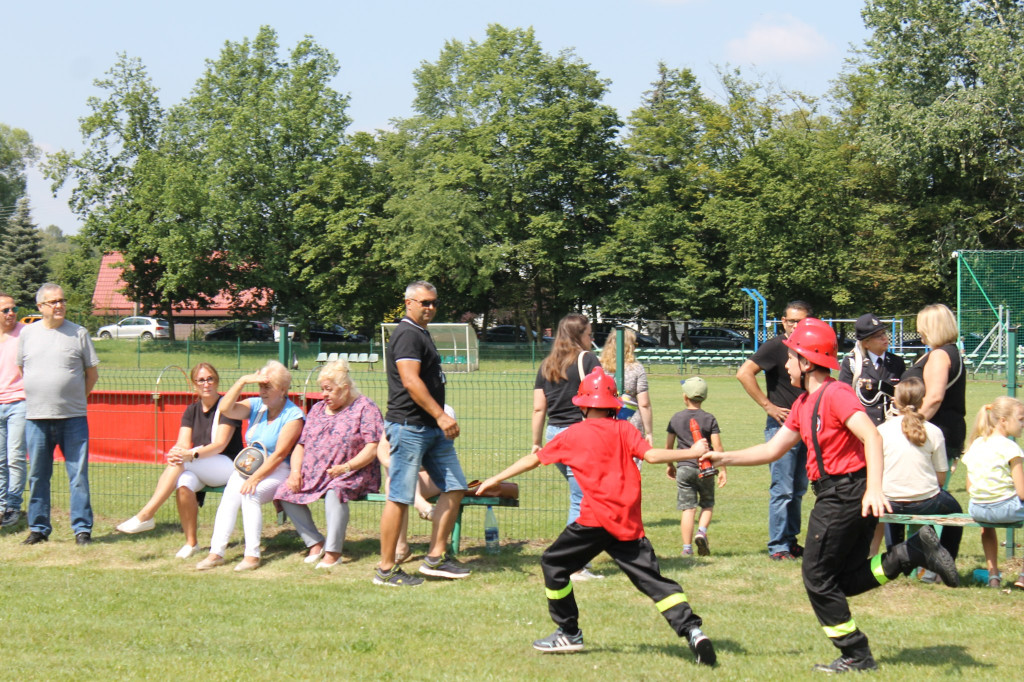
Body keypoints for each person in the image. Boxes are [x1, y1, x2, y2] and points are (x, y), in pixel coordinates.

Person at [705, 318, 959, 674]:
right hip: (842, 494)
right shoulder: (804, 403)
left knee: (815, 576)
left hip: (846, 493)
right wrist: (723, 457)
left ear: (807, 362)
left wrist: (873, 488)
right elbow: (772, 450)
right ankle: (909, 553)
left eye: (791, 357)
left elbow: (871, 436)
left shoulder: (836, 394)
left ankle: (856, 653)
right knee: (842, 580)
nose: (787, 364)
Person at [475, 367, 716, 665]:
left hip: (593, 522)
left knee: (553, 563)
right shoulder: (627, 429)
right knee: (654, 582)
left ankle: (569, 632)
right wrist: (691, 452)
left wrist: (495, 478)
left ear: (584, 405)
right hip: (627, 523)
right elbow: (651, 456)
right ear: (612, 404)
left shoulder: (572, 434)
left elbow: (534, 459)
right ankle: (693, 631)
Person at [376, 281, 469, 587]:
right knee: (400, 497)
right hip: (409, 426)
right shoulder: (406, 334)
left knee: (455, 486)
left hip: (430, 428)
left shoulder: (420, 333)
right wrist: (442, 415)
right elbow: (410, 381)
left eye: (434, 303)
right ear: (409, 303)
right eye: (424, 302)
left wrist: (438, 419)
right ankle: (386, 570)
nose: (430, 307)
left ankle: (435, 558)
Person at [115, 363, 243, 559]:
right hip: (201, 463)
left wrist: (189, 455)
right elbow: (183, 443)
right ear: (194, 385)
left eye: (210, 379)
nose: (206, 383)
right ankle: (191, 543)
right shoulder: (191, 410)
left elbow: (220, 445)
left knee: (182, 463)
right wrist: (177, 452)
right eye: (201, 380)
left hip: (228, 465)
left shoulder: (227, 407)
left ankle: (146, 514)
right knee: (184, 483)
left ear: (217, 381)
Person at [196, 360, 304, 571]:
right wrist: (243, 381)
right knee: (229, 496)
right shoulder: (255, 405)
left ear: (282, 389)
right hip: (250, 464)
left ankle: (252, 555)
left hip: (279, 469)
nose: (262, 391)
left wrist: (255, 479)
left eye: (267, 387)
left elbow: (280, 454)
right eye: (260, 386)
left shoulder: (294, 415)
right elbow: (225, 409)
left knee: (250, 494)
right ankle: (216, 553)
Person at [275, 360, 383, 569]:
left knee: (336, 491)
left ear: (345, 388)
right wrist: (295, 472)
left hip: (354, 472)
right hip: (316, 473)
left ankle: (333, 553)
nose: (324, 394)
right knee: (285, 491)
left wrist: (346, 467)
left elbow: (372, 447)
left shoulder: (365, 408)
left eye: (329, 390)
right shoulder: (317, 410)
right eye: (322, 389)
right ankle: (315, 542)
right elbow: (301, 445)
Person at [18, 284, 99, 545]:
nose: (59, 305)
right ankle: (39, 529)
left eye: (62, 301)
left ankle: (82, 529)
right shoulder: (28, 334)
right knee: (38, 475)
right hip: (36, 418)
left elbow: (92, 374)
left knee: (77, 475)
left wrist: (75, 400)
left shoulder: (79, 333)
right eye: (53, 302)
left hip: (73, 418)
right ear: (40, 307)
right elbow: (23, 369)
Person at [736, 300, 811, 560]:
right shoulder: (776, 346)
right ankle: (778, 545)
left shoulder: (811, 346)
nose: (796, 326)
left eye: (801, 321)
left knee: (799, 488)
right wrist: (768, 406)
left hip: (807, 426)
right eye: (791, 321)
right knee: (783, 489)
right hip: (781, 426)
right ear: (783, 321)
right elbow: (744, 372)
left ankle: (790, 541)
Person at [534, 313, 602, 580]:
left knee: (584, 495)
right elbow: (600, 396)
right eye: (588, 333)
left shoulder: (547, 364)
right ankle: (573, 564)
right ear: (578, 335)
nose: (591, 338)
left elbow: (540, 407)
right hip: (581, 434)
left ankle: (579, 558)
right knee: (582, 498)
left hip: (555, 434)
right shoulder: (587, 359)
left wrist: (536, 442)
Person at [874, 377, 962, 571]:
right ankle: (945, 561)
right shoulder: (934, 431)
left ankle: (896, 560)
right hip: (926, 501)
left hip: (889, 501)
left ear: (895, 401)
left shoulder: (881, 430)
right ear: (922, 402)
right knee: (956, 512)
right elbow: (940, 479)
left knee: (892, 505)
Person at [961, 396, 1024, 590]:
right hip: (1004, 508)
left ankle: (993, 576)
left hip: (978, 508)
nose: (1023, 424)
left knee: (986, 527)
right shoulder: (1011, 448)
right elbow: (1021, 492)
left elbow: (969, 487)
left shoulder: (977, 444)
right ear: (1004, 421)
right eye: (1021, 419)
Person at [665, 377, 726, 557]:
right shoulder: (709, 418)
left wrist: (670, 464)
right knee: (707, 503)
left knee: (688, 508)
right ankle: (701, 532)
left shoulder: (676, 418)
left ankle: (687, 548)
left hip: (683, 467)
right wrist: (723, 469)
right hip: (705, 467)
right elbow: (718, 446)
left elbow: (668, 446)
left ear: (685, 397)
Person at [901, 304, 966, 466]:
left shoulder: (940, 355)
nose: (918, 330)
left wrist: (910, 426)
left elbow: (934, 397)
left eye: (921, 326)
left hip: (931, 432)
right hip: (940, 431)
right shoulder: (949, 352)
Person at [838, 313, 906, 425]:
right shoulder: (852, 363)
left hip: (891, 425)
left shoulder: (896, 362)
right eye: (878, 336)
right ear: (866, 343)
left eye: (884, 333)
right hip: (864, 426)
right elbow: (843, 399)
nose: (884, 338)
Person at [0, 293, 27, 528]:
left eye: (13, 308)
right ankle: (0, 506)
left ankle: (12, 506)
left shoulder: (24, 333)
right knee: (0, 460)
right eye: (5, 310)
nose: (11, 313)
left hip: (19, 402)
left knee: (15, 457)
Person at [600, 328, 653, 444]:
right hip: (631, 422)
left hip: (605, 422)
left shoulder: (599, 367)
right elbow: (644, 404)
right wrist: (649, 432)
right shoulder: (636, 368)